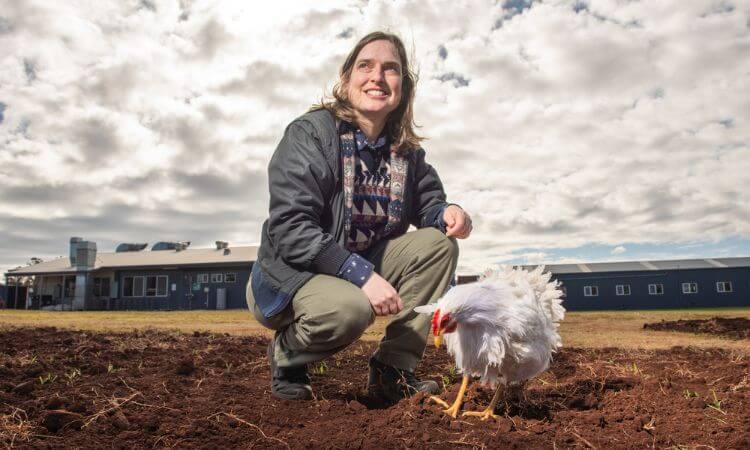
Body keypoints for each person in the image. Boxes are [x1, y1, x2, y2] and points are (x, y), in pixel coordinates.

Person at [247, 31, 473, 402]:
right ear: (347, 78)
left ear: (403, 85)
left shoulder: (406, 151)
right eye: (365, 66)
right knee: (349, 310)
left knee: (438, 245)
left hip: (357, 264)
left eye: (391, 69)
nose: (377, 77)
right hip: (291, 275)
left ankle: (392, 371)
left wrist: (449, 212)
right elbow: (291, 228)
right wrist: (363, 277)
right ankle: (287, 354)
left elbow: (429, 204)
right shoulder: (312, 134)